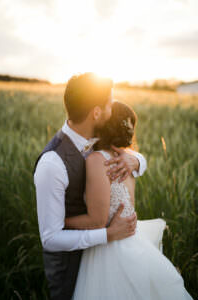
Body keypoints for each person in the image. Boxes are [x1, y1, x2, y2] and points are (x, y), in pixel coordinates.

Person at [33, 73, 147, 300]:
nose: (111, 109)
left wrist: (137, 161)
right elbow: (50, 238)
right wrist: (107, 235)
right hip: (69, 267)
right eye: (108, 105)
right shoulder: (52, 164)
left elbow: (126, 153)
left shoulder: (96, 139)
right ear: (96, 113)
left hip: (103, 256)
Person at [65, 101, 194, 300]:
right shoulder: (127, 159)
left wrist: (61, 222)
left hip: (108, 251)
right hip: (131, 243)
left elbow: (98, 221)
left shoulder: (98, 160)